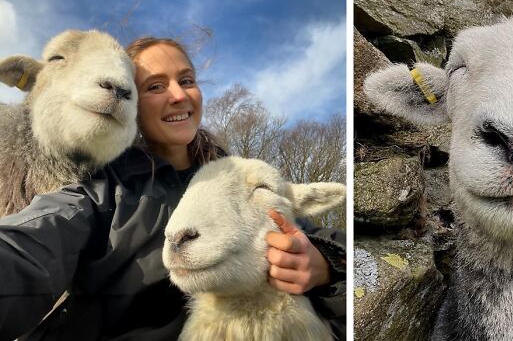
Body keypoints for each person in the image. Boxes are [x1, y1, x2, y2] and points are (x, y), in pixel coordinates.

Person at [0, 37, 346, 340]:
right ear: (131, 101)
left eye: (187, 80)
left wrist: (325, 265)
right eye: (155, 86)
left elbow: (325, 240)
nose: (179, 95)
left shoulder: (242, 180)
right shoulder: (102, 192)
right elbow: (29, 246)